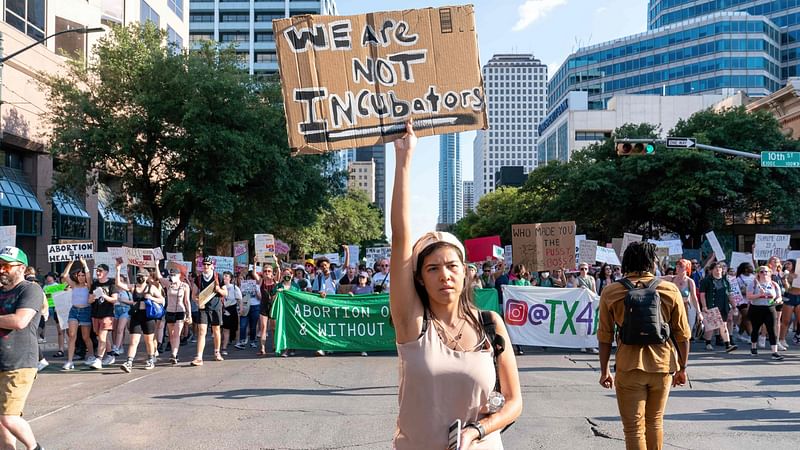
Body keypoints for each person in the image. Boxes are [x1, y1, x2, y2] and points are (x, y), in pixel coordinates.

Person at [390, 123, 521, 449]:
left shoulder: (491, 324)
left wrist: (477, 430)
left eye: (451, 266)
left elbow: (514, 401)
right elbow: (401, 241)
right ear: (419, 278)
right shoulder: (412, 326)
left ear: (465, 272)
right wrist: (405, 159)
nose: (443, 275)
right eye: (432, 268)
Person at [598, 242, 690, 450]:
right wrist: (682, 368)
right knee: (655, 422)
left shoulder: (611, 291)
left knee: (633, 428)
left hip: (628, 366)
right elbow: (683, 336)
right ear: (652, 263)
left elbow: (604, 336)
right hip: (662, 365)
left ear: (626, 263)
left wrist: (604, 371)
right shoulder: (669, 289)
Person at [0, 247, 45, 450]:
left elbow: (20, 321)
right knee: (1, 419)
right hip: (2, 361)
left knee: (8, 417)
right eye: (0, 265)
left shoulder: (30, 289)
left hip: (19, 362)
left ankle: (35, 448)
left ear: (22, 268)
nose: (2, 270)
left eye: (7, 265)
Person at [117, 265, 164, 372]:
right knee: (134, 341)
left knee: (149, 340)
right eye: (138, 275)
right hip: (136, 315)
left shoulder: (151, 288)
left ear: (147, 277)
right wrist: (118, 269)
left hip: (147, 316)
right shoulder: (133, 287)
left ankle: (151, 359)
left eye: (142, 276)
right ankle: (129, 362)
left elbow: (161, 300)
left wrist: (151, 298)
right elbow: (119, 284)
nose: (140, 277)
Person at [191, 259, 227, 366]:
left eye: (208, 264)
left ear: (212, 266)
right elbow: (193, 295)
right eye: (204, 264)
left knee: (216, 330)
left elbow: (225, 292)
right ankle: (199, 357)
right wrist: (198, 302)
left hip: (216, 307)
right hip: (203, 308)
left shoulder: (218, 277)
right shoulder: (199, 278)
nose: (206, 266)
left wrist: (218, 290)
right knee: (202, 331)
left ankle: (217, 352)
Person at [61, 258, 95, 371]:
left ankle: (91, 355)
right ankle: (69, 361)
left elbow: (89, 277)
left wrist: (84, 263)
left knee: (86, 337)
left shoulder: (88, 286)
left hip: (85, 311)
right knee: (72, 335)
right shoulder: (74, 285)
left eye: (83, 275)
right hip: (74, 311)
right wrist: (70, 263)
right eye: (79, 275)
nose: (81, 277)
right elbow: (65, 276)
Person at [698, 262, 737, 353]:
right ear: (711, 270)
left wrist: (734, 305)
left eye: (720, 268)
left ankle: (728, 345)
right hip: (712, 305)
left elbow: (730, 294)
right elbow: (702, 295)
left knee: (723, 325)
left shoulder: (725, 281)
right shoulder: (706, 281)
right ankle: (708, 343)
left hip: (723, 306)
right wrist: (704, 306)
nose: (718, 270)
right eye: (716, 268)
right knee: (711, 326)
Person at [746, 266, 784, 360]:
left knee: (772, 330)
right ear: (758, 273)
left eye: (766, 271)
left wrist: (778, 300)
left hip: (769, 308)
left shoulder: (774, 284)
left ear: (770, 273)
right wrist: (760, 294)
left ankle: (774, 352)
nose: (764, 273)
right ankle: (753, 347)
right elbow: (749, 297)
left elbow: (779, 296)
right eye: (761, 272)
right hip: (756, 308)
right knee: (756, 329)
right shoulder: (753, 283)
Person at [87, 263, 119, 369]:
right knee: (100, 336)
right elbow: (89, 299)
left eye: (100, 271)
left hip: (107, 314)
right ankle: (110, 354)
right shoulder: (95, 284)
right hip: (96, 314)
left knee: (102, 337)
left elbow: (114, 299)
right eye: (97, 271)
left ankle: (98, 359)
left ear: (106, 272)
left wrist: (104, 296)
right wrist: (94, 297)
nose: (98, 272)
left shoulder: (111, 284)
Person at [164, 268, 191, 365]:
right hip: (170, 311)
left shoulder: (185, 286)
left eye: (174, 275)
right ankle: (173, 352)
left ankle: (174, 354)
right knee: (171, 334)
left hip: (180, 311)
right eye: (171, 275)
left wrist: (189, 314)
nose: (172, 277)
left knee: (176, 333)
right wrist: (157, 264)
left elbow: (187, 301)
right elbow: (158, 277)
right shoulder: (168, 284)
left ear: (179, 275)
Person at [272, 269, 299, 358]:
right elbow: (273, 299)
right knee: (283, 329)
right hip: (282, 311)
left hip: (293, 310)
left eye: (288, 274)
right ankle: (285, 349)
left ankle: (293, 347)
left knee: (292, 329)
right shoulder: (278, 286)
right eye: (284, 274)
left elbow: (300, 298)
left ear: (292, 275)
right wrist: (277, 292)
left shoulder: (295, 286)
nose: (286, 276)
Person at [235, 271, 261, 350]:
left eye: (251, 279)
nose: (250, 280)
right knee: (243, 325)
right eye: (248, 278)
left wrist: (256, 291)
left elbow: (260, 298)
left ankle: (252, 341)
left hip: (255, 307)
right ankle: (242, 341)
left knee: (253, 326)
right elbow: (239, 298)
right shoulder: (242, 286)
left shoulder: (257, 286)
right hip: (245, 306)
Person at [220, 271, 241, 356]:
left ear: (230, 278)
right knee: (224, 329)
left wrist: (241, 309)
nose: (225, 278)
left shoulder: (234, 287)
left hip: (232, 308)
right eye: (224, 276)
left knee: (234, 327)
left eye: (226, 276)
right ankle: (223, 347)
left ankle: (237, 341)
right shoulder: (220, 287)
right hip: (222, 309)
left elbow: (240, 299)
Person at [111, 272, 132, 358]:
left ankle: (117, 347)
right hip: (115, 310)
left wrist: (122, 300)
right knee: (114, 330)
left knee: (120, 329)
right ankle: (117, 345)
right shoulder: (113, 290)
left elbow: (133, 302)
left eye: (122, 281)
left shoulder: (127, 292)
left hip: (125, 310)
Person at [782, 259, 800, 346]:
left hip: (799, 297)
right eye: (785, 264)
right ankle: (782, 339)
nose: (786, 265)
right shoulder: (785, 275)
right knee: (786, 320)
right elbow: (787, 289)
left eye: (788, 264)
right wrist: (785, 280)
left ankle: (797, 336)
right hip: (789, 297)